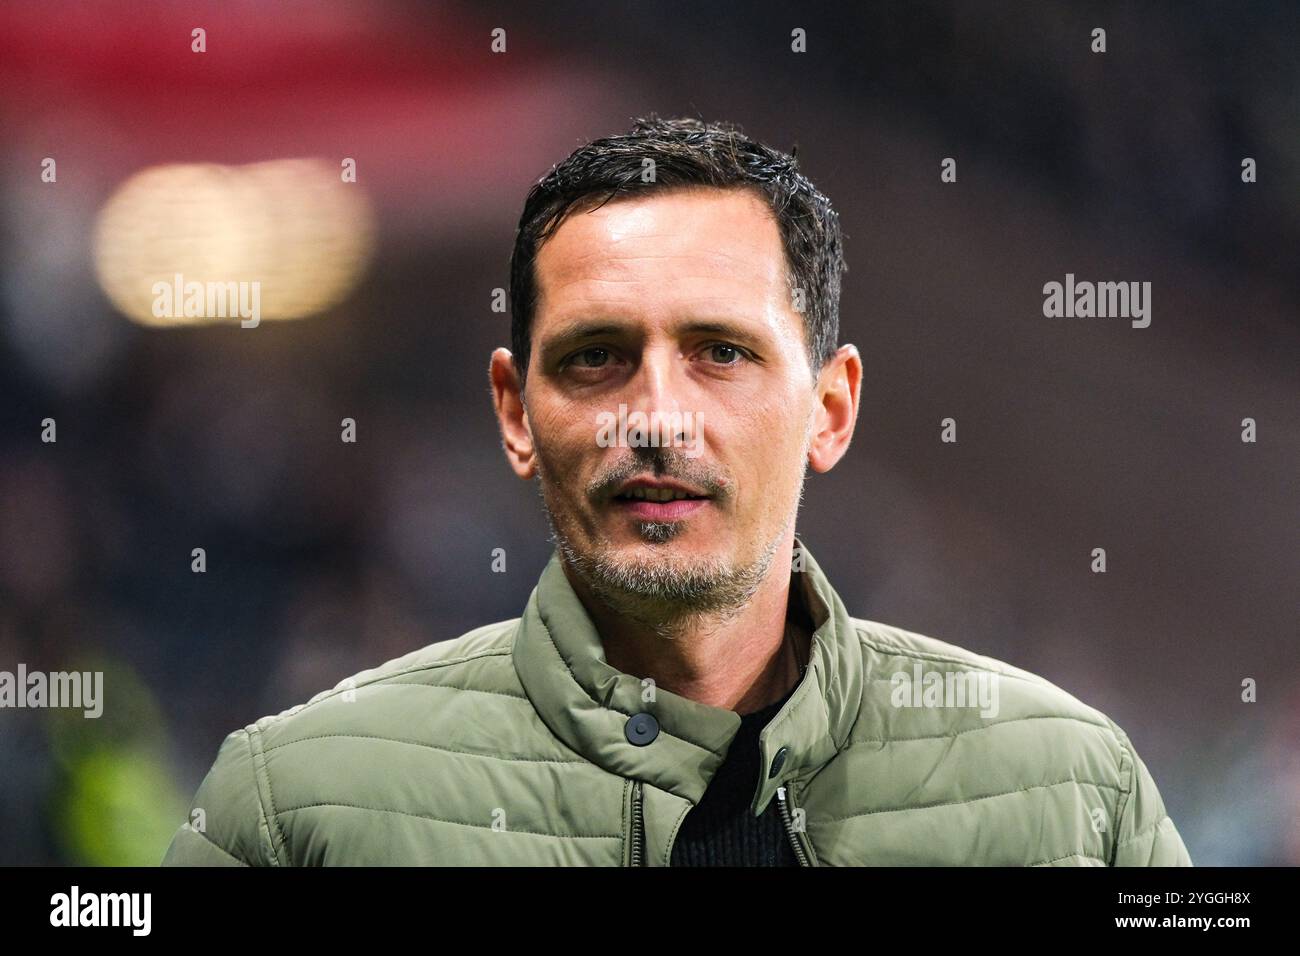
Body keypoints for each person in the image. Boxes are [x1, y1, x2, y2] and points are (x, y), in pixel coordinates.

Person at [162, 116, 1191, 866]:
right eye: (598, 356)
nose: (655, 415)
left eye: (721, 352)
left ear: (831, 409)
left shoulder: (1074, 795)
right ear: (516, 413)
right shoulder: (291, 807)